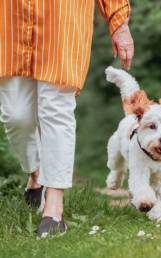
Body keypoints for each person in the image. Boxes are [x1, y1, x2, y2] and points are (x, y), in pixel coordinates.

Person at [0, 0, 134, 238]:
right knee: (15, 115)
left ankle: (53, 211)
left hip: (63, 16)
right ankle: (36, 172)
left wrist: (119, 23)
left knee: (56, 108)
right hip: (11, 17)